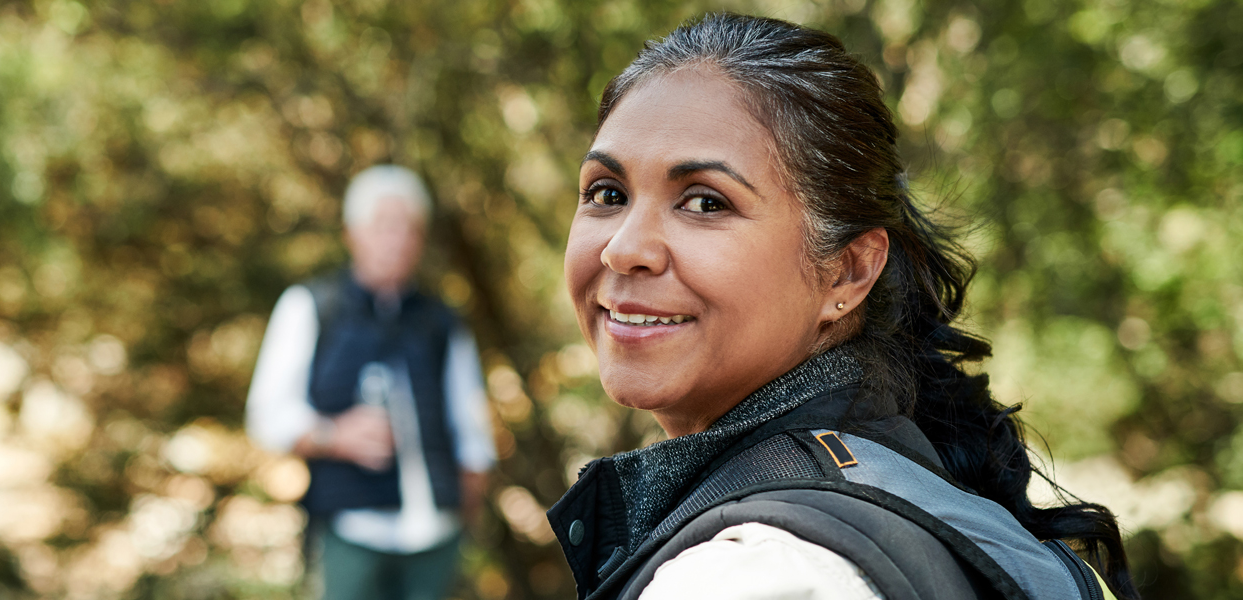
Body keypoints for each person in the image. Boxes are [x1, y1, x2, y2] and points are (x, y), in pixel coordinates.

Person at [547, 13, 1136, 600]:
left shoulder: (759, 573)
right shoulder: (915, 492)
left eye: (705, 203)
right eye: (607, 194)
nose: (625, 249)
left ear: (849, 271)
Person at [246, 165, 495, 600]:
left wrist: (466, 514)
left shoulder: (442, 322)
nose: (396, 239)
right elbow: (267, 415)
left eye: (409, 227)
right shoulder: (311, 307)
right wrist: (333, 435)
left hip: (436, 538)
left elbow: (472, 433)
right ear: (352, 233)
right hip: (350, 534)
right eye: (383, 225)